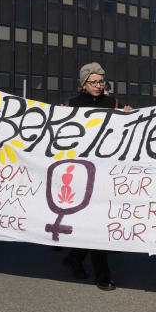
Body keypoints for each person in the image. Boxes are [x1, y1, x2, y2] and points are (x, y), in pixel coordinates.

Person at [61, 62, 132, 291]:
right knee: (91, 223)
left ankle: (76, 259)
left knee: (97, 222)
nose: (99, 86)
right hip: (81, 172)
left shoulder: (113, 104)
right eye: (94, 82)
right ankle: (101, 274)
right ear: (84, 84)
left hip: (105, 172)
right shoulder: (72, 104)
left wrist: (128, 116)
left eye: (101, 81)